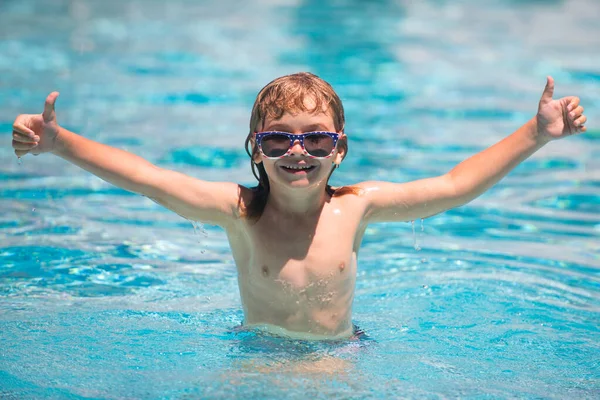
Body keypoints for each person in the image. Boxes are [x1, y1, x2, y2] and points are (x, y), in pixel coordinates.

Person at [11, 72, 587, 340]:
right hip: (257, 356)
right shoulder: (239, 212)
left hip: (341, 362)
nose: (297, 151)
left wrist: (535, 135)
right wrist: (62, 143)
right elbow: (147, 178)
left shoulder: (356, 207)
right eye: (277, 138)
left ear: (340, 150)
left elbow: (455, 185)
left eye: (315, 138)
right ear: (256, 151)